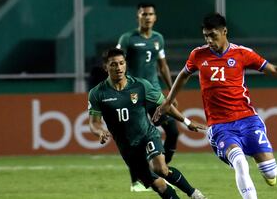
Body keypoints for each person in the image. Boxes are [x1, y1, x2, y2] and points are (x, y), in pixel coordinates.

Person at [152, 13, 277, 199]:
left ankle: (268, 173)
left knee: (271, 173)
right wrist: (168, 101)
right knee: (240, 163)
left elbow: (274, 69)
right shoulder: (198, 55)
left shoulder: (242, 53)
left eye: (213, 35)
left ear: (224, 31)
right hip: (220, 126)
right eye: (206, 36)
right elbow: (184, 74)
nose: (209, 40)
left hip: (248, 120)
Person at [88, 48, 207, 199]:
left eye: (121, 63)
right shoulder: (97, 93)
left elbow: (165, 105)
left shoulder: (141, 85)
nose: (118, 68)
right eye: (113, 64)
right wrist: (100, 132)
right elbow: (94, 123)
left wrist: (186, 121)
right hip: (128, 148)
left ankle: (194, 194)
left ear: (126, 65)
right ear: (106, 67)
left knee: (161, 169)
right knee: (160, 186)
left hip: (147, 136)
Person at [116, 2, 181, 191]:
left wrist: (171, 91)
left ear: (155, 17)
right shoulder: (127, 39)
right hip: (132, 95)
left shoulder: (158, 39)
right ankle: (136, 181)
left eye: (150, 14)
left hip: (153, 93)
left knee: (173, 131)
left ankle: (162, 169)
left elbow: (163, 66)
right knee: (135, 139)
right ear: (138, 17)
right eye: (144, 14)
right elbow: (116, 62)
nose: (147, 17)